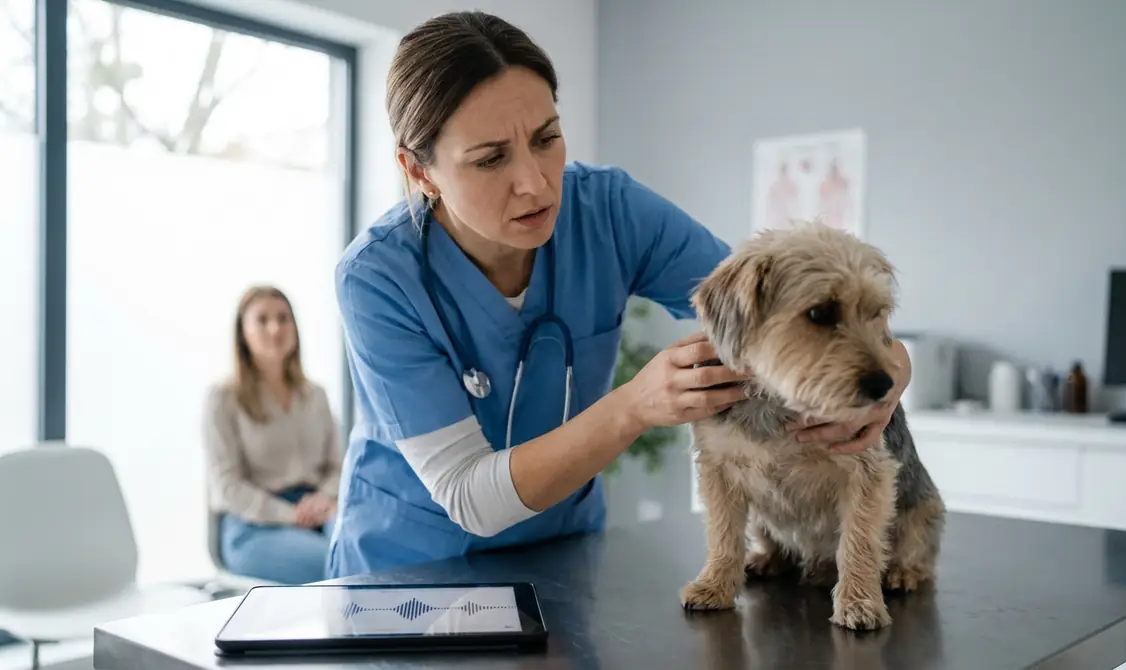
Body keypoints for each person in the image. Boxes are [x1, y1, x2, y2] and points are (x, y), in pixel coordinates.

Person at [327, 11, 912, 578]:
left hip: (562, 552)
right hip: (409, 569)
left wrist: (889, 377)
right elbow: (468, 495)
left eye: (546, 138)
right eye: (490, 159)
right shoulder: (377, 277)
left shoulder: (608, 212)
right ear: (419, 170)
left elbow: (766, 309)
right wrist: (635, 405)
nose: (534, 182)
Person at [202, 285, 343, 584]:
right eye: (262, 320)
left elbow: (338, 466)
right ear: (242, 333)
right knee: (339, 564)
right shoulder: (223, 399)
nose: (275, 328)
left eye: (283, 318)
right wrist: (291, 515)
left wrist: (324, 498)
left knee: (371, 551)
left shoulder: (315, 396)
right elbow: (227, 486)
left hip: (318, 511)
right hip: (254, 525)